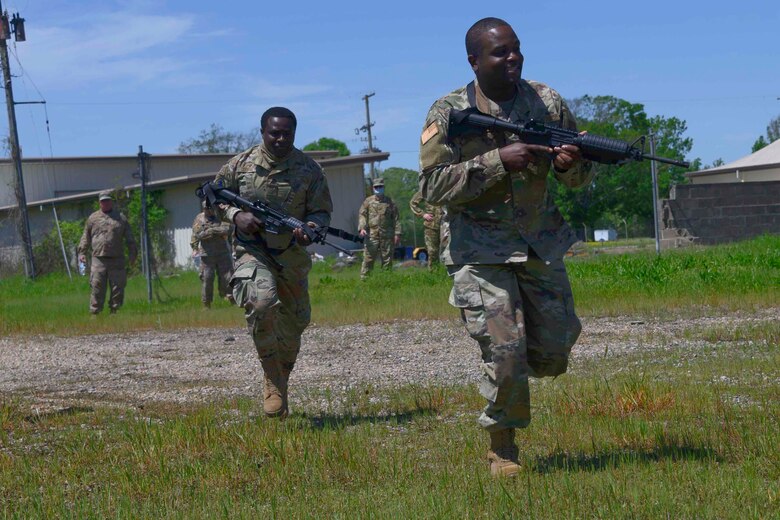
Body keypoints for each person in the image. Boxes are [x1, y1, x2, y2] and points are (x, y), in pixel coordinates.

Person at [418, 17, 593, 477]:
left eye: (516, 49)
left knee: (554, 349)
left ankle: (514, 378)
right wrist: (497, 161)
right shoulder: (447, 111)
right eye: (500, 52)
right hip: (480, 251)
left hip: (540, 243)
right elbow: (432, 186)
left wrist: (568, 165)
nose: (512, 57)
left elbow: (579, 177)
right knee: (506, 350)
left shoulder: (547, 101)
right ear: (474, 61)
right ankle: (503, 447)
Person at [213, 106, 332, 418]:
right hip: (252, 250)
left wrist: (313, 230)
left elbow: (320, 212)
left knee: (295, 324)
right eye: (274, 133)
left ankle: (280, 382)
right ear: (262, 132)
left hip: (290, 255)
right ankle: (270, 377)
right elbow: (212, 196)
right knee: (262, 302)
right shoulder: (240, 165)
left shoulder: (310, 170)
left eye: (286, 133)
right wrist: (236, 215)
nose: (280, 139)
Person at [78, 190, 138, 315]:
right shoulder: (93, 218)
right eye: (103, 201)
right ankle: (95, 313)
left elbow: (130, 238)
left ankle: (114, 311)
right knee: (97, 286)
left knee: (118, 287)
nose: (105, 203)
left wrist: (133, 254)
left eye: (107, 200)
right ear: (99, 203)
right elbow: (86, 237)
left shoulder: (121, 218)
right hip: (98, 259)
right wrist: (82, 253)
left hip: (117, 259)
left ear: (111, 201)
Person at [190, 200, 235, 309]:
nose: (209, 210)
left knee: (228, 277)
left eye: (210, 208)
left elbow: (227, 228)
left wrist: (211, 231)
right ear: (203, 208)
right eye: (206, 208)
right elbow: (198, 234)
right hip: (207, 255)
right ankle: (207, 304)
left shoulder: (220, 216)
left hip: (222, 253)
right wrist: (196, 247)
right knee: (207, 278)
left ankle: (230, 298)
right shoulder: (199, 218)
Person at [358, 177, 401, 279]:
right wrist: (362, 228)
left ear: (383, 187)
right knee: (368, 258)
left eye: (380, 186)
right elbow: (362, 215)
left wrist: (397, 233)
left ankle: (386, 280)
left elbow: (396, 218)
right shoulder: (368, 201)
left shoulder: (390, 202)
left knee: (387, 259)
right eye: (376, 187)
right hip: (372, 235)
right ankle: (365, 280)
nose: (378, 188)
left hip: (387, 235)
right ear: (373, 188)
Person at [409, 190, 443, 269]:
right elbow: (413, 203)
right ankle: (434, 273)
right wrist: (423, 214)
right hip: (431, 226)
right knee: (432, 252)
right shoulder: (427, 188)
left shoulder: (446, 186)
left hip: (447, 225)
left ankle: (448, 274)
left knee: (447, 252)